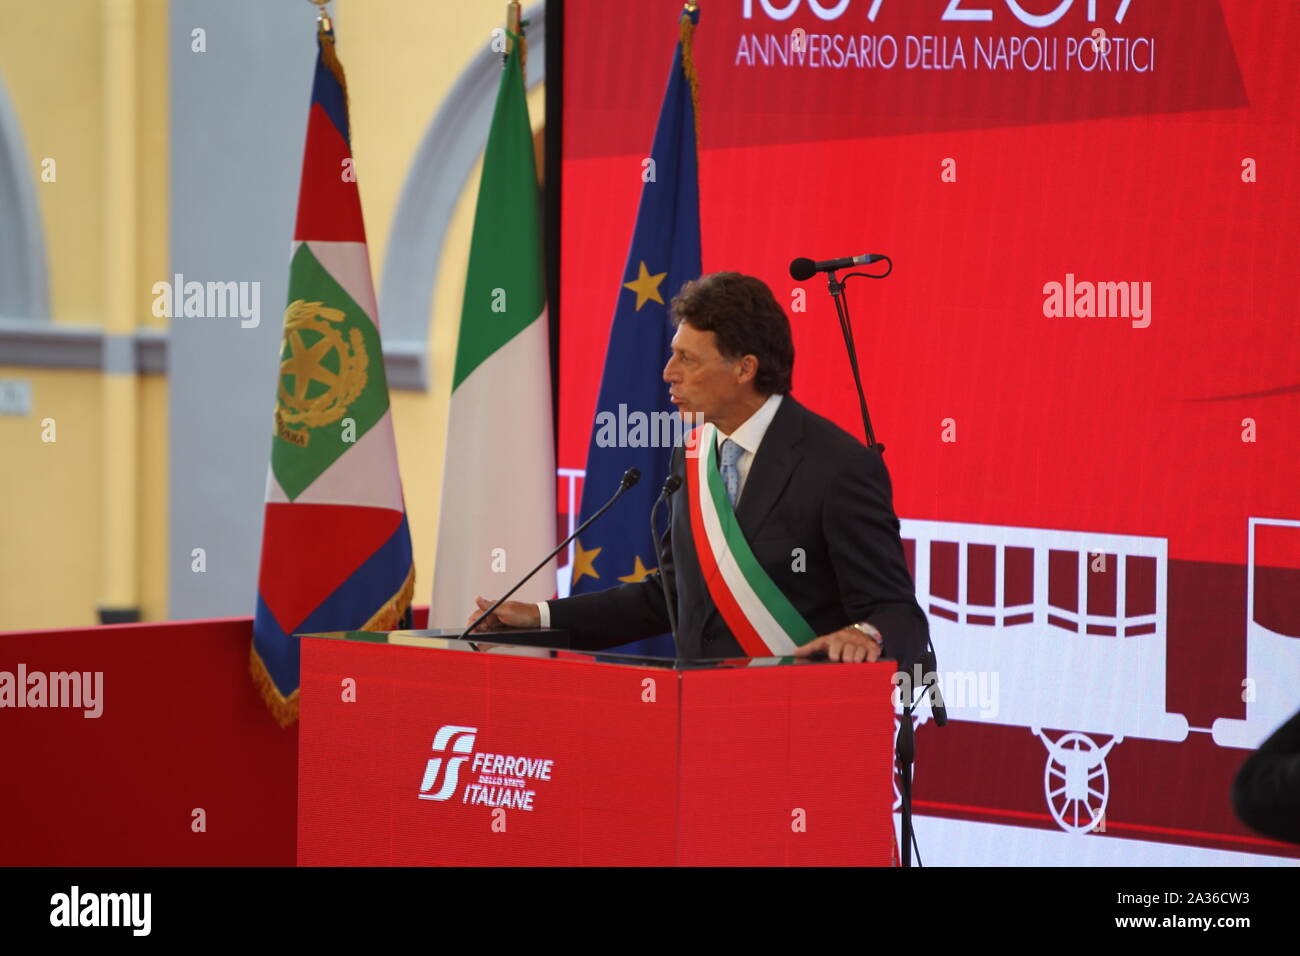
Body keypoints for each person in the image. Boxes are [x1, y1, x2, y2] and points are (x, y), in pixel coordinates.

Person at [469, 271, 929, 668]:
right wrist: (541, 617)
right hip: (696, 724)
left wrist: (866, 635)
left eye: (688, 359)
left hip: (795, 728)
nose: (669, 372)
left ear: (744, 368)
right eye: (674, 354)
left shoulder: (838, 466)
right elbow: (668, 598)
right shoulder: (691, 456)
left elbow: (897, 612)